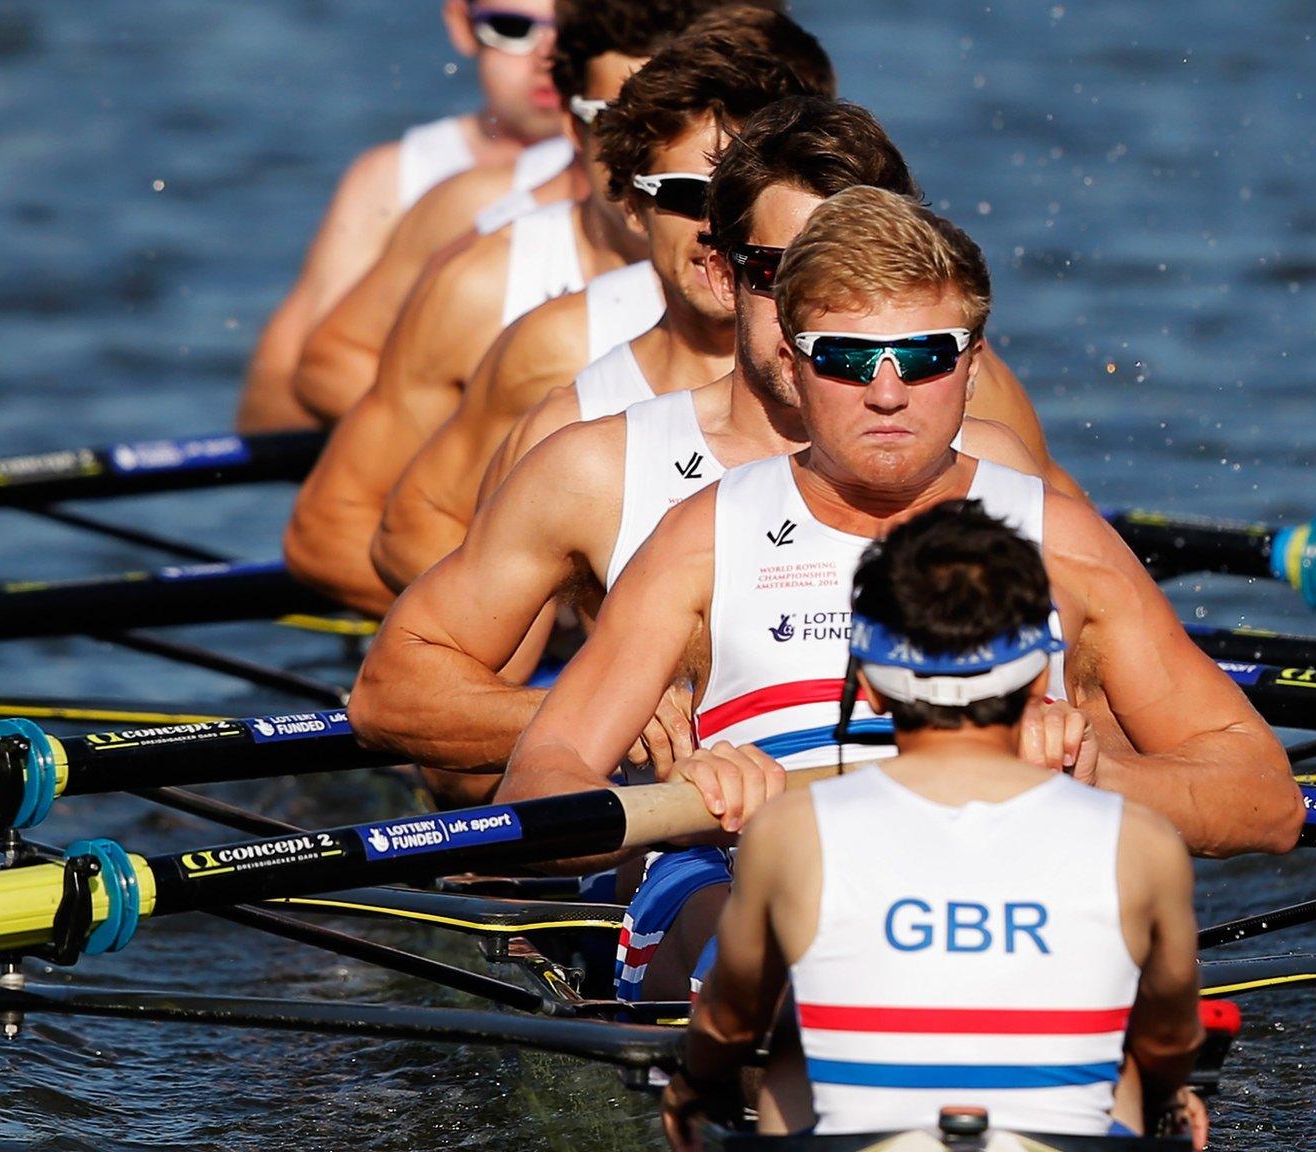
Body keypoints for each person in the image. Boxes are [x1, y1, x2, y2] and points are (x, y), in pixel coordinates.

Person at [496, 186, 1302, 999]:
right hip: (737, 873)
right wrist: (681, 797)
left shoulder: (1063, 540)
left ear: (974, 362)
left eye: (925, 356)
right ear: (794, 360)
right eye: (847, 358)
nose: (887, 393)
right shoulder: (702, 537)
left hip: (997, 884)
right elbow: (538, 784)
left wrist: (1095, 778)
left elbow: (1266, 800)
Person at [348, 99, 1046, 805]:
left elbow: (1120, 704)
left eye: (859, 280)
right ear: (721, 271)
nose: (821, 310)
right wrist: (604, 720)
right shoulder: (599, 468)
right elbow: (391, 693)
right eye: (786, 274)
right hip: (692, 869)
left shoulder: (991, 454)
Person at [661, 501, 1208, 1148]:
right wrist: (1171, 1091)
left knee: (789, 1047)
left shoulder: (789, 829)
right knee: (1127, 1059)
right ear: (1039, 681)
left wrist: (691, 1086)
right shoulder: (1140, 839)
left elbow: (730, 1023)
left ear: (865, 683)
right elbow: (1172, 1034)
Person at [283, 2, 810, 615]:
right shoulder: (500, 284)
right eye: (613, 117)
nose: (713, 222)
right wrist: (534, 610)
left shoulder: (880, 319)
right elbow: (342, 522)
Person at [236, 0, 570, 432]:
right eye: (512, 27)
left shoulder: (656, 167)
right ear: (461, 25)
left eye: (577, 28)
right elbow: (279, 399)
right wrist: (469, 449)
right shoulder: (394, 177)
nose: (549, 54)